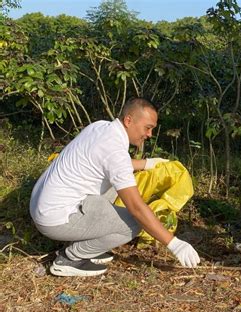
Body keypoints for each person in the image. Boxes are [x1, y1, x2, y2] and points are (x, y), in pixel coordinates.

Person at [30, 98, 200, 277]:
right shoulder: (115, 152)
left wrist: (147, 163)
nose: (149, 134)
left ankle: (84, 243)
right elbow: (136, 208)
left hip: (44, 205)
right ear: (128, 120)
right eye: (147, 127)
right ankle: (71, 257)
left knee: (114, 188)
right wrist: (174, 243)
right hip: (54, 219)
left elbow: (109, 161)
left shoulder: (100, 127)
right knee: (134, 223)